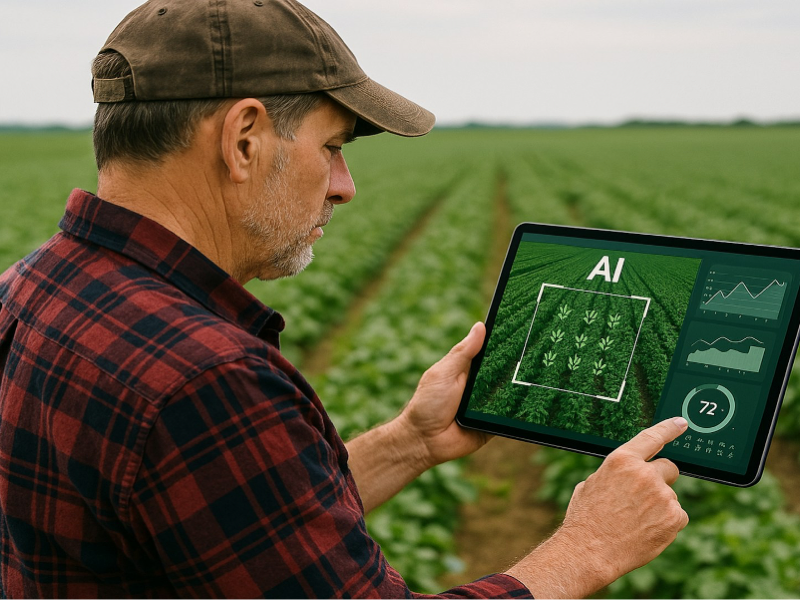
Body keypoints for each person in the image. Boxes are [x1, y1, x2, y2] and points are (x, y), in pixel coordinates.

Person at [0, 0, 689, 597]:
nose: (343, 185)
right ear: (243, 140)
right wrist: (586, 550)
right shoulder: (205, 378)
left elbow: (241, 526)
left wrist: (409, 443)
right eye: (331, 146)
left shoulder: (27, 288)